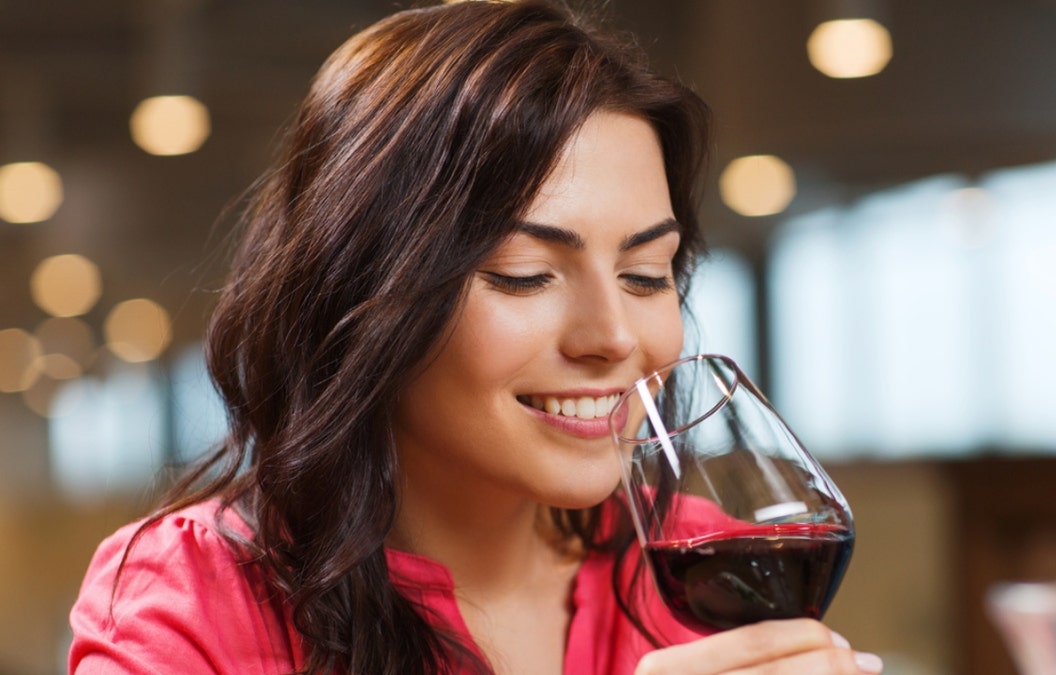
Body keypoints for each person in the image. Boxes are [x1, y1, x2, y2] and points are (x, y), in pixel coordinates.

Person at [68, 1, 882, 673]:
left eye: (647, 275)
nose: (612, 336)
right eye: (525, 273)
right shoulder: (190, 599)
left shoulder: (698, 564)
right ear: (362, 290)